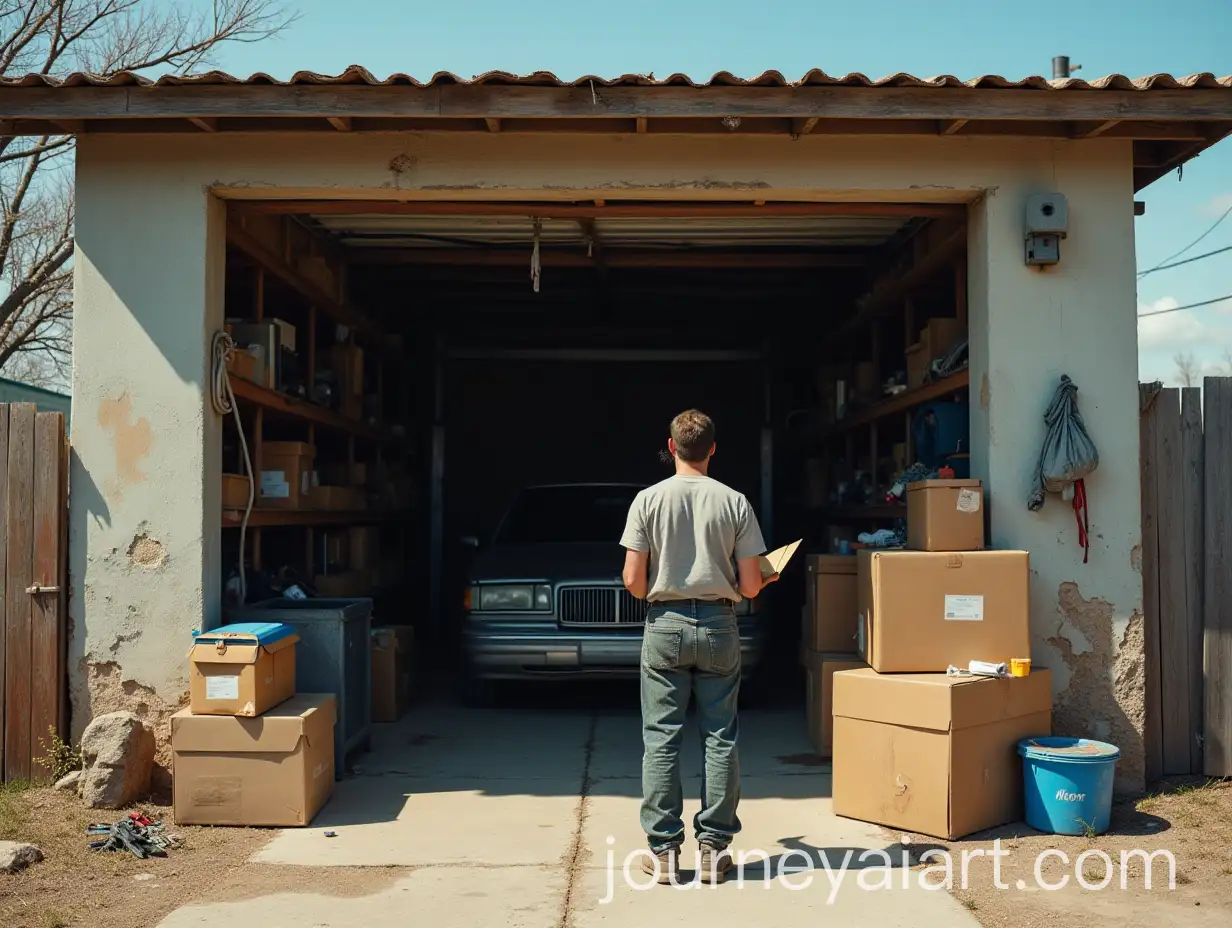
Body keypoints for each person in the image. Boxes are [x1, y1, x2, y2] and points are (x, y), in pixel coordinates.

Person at [619, 409, 777, 885]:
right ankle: (713, 849)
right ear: (712, 449)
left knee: (662, 738)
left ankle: (664, 852)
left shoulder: (647, 500)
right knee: (719, 736)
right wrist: (762, 576)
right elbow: (750, 586)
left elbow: (632, 579)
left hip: (664, 623)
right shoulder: (735, 502)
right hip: (718, 626)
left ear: (671, 448)